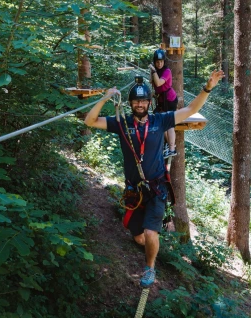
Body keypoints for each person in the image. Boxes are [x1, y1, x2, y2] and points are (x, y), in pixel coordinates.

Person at [84, 70, 224, 288]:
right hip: (134, 191)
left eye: (143, 101)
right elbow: (90, 121)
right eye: (136, 101)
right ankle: (149, 243)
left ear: (149, 103)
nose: (139, 105)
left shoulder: (161, 120)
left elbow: (190, 109)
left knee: (150, 232)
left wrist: (208, 87)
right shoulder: (122, 123)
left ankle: (150, 268)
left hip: (157, 189)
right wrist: (103, 98)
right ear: (130, 103)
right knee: (138, 235)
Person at [150, 49, 178, 158]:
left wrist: (153, 71)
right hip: (162, 100)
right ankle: (167, 145)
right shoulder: (156, 71)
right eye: (157, 62)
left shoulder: (167, 71)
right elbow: (154, 84)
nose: (159, 64)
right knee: (160, 121)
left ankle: (172, 149)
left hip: (170, 100)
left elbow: (158, 82)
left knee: (169, 123)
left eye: (161, 61)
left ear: (164, 62)